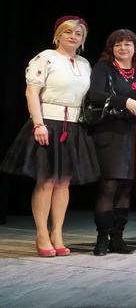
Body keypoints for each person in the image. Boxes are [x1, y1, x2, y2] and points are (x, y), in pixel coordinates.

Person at [1, 16, 98, 257]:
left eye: (78, 33)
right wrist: (38, 124)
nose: (73, 36)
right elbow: (31, 92)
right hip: (48, 123)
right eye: (68, 32)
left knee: (63, 182)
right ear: (58, 35)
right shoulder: (46, 57)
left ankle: (57, 233)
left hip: (73, 126)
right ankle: (42, 234)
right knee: (46, 180)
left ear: (83, 39)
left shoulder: (85, 64)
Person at [88, 29, 136, 256]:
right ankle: (101, 238)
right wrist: (124, 101)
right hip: (110, 132)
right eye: (118, 45)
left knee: (126, 187)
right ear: (111, 48)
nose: (123, 48)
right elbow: (95, 95)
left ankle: (117, 238)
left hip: (133, 135)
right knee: (109, 185)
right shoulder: (103, 68)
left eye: (127, 44)